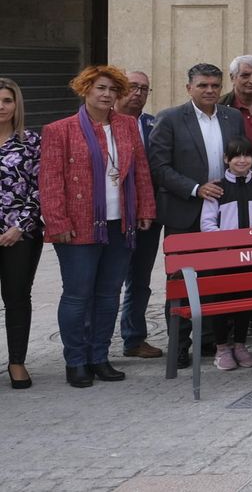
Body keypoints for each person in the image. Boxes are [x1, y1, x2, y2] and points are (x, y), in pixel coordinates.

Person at [40, 65, 156, 387]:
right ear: (85, 90)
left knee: (108, 295)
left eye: (112, 90)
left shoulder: (128, 125)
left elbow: (141, 172)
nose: (106, 95)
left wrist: (145, 208)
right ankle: (76, 361)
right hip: (77, 225)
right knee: (78, 296)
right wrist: (58, 220)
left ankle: (99, 356)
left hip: (121, 223)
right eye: (100, 88)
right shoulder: (59, 130)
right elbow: (49, 181)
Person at [147, 63, 247, 368]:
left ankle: (210, 342)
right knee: (180, 281)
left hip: (224, 215)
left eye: (215, 85)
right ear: (189, 87)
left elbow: (240, 157)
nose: (210, 91)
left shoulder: (233, 117)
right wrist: (195, 189)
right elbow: (159, 167)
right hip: (185, 212)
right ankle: (179, 345)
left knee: (217, 279)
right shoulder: (170, 119)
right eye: (203, 85)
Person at [201, 137, 252, 371]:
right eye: (236, 156)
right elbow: (208, 223)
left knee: (246, 301)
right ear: (226, 160)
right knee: (222, 302)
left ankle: (241, 344)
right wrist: (224, 245)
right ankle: (222, 347)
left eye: (247, 156)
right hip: (225, 258)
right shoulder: (219, 188)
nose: (242, 160)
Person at [115, 69, 164, 361]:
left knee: (139, 280)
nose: (138, 94)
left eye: (144, 89)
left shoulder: (154, 125)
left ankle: (134, 338)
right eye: (132, 87)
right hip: (110, 218)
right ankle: (91, 343)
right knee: (104, 282)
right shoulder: (104, 124)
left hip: (147, 217)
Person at [0, 78, 44, 388]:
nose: (1, 106)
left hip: (20, 235)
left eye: (7, 100)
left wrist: (20, 226)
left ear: (17, 105)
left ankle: (17, 361)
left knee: (16, 298)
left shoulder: (31, 142)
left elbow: (41, 189)